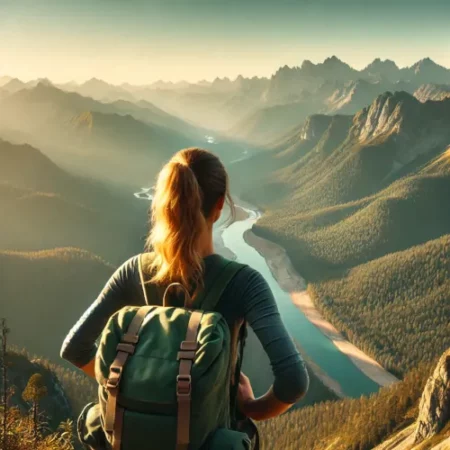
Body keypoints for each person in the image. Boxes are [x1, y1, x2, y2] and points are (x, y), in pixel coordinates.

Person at [61, 147, 309, 425]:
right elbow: (293, 381)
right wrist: (249, 408)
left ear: (166, 203)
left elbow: (75, 348)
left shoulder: (134, 272)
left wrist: (129, 389)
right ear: (218, 207)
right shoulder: (245, 283)